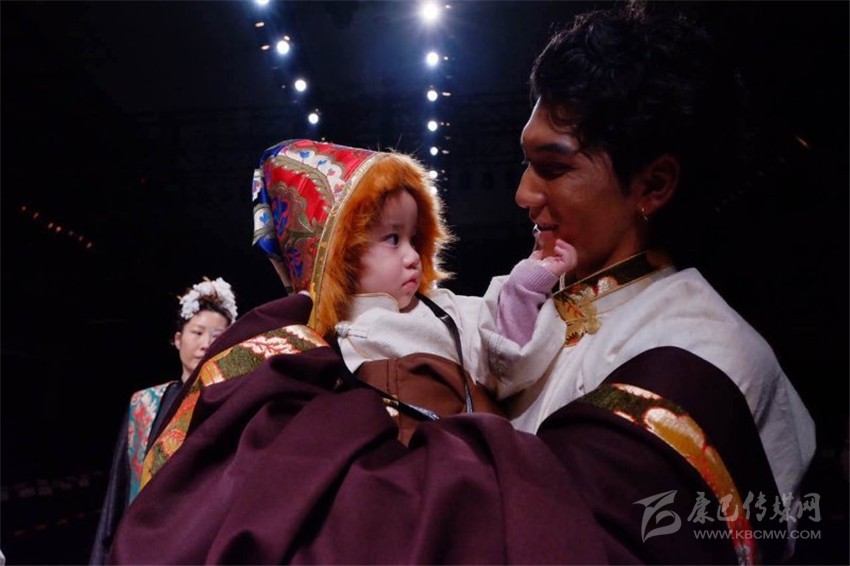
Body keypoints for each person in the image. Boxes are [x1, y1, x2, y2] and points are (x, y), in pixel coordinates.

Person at [108, 6, 806, 564]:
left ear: (653, 184)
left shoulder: (707, 358)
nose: (523, 193)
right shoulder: (512, 305)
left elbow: (520, 534)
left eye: (555, 167)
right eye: (525, 163)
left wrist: (306, 418)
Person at [250, 138, 575, 443]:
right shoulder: (317, 350)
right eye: (393, 239)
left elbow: (508, 363)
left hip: (475, 461)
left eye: (414, 239)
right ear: (342, 255)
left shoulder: (447, 309)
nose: (412, 256)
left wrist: (523, 289)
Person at [89, 277, 237, 565]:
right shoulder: (145, 404)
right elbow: (119, 491)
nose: (206, 344)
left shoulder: (231, 404)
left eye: (217, 336)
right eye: (197, 332)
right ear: (178, 339)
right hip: (142, 545)